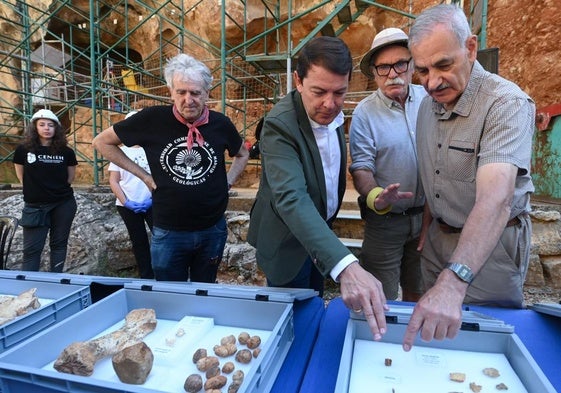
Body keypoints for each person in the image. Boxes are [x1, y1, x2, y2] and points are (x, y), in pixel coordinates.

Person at [402, 4, 535, 351]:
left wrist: (454, 280)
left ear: (471, 48)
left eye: (444, 65)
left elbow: (496, 198)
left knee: (484, 345)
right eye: (422, 70)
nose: (432, 82)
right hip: (436, 243)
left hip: (491, 251)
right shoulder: (427, 104)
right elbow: (436, 170)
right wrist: (431, 224)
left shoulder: (506, 104)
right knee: (437, 340)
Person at [247, 36, 388, 341]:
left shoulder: (333, 114)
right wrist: (347, 266)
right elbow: (291, 198)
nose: (330, 104)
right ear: (298, 81)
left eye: (340, 92)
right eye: (319, 91)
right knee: (289, 326)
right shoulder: (279, 125)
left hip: (319, 235)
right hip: (286, 242)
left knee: (313, 307)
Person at [93, 53, 249, 283]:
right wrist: (144, 176)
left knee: (204, 290)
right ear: (170, 91)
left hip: (212, 229)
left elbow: (242, 153)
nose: (189, 99)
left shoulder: (220, 124)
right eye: (181, 92)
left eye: (195, 92)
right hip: (169, 231)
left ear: (207, 93)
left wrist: (228, 181)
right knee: (168, 294)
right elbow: (101, 142)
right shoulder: (152, 119)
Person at [349, 27, 427, 302]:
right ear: (373, 72)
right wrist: (376, 197)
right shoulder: (364, 113)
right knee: (382, 297)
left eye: (400, 64)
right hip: (385, 223)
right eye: (383, 67)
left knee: (419, 290)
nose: (393, 73)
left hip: (427, 219)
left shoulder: (430, 101)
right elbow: (361, 168)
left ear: (412, 64)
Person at [13, 109, 78, 272]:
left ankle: (55, 281)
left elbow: (70, 178)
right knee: (31, 250)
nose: (46, 128)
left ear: (57, 129)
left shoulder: (66, 152)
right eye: (42, 125)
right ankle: (28, 290)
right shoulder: (23, 150)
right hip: (35, 206)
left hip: (63, 204)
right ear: (35, 128)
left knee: (59, 245)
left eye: (51, 125)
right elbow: (21, 176)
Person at [108, 111, 154, 279]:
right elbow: (114, 181)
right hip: (127, 205)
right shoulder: (119, 152)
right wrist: (126, 202)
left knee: (160, 238)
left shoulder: (153, 150)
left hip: (152, 203)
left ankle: (163, 272)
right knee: (138, 240)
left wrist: (153, 200)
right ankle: (146, 275)